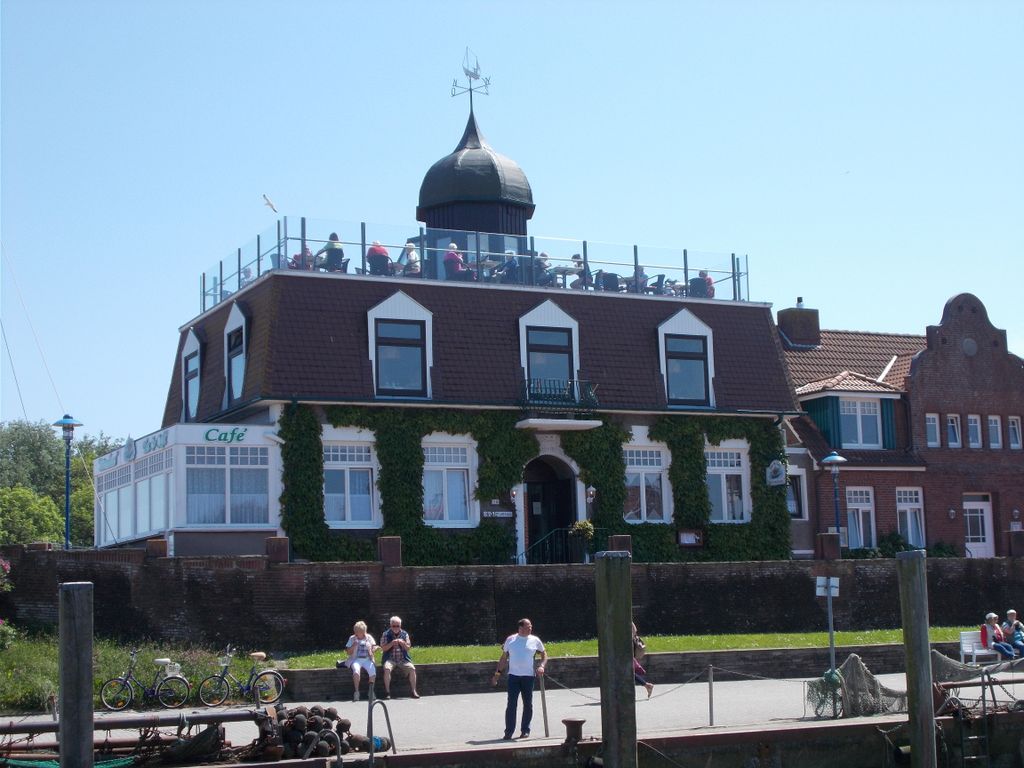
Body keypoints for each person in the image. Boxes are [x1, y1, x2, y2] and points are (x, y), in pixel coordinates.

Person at [492, 618, 547, 740]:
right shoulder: (510, 640)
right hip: (513, 677)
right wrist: (497, 674)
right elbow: (503, 658)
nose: (530, 628)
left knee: (528, 704)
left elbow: (544, 654)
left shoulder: (535, 640)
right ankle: (509, 732)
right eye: (528, 626)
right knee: (511, 704)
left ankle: (525, 730)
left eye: (531, 626)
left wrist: (542, 666)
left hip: (528, 677)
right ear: (520, 628)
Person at [380, 616, 420, 699]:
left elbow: (408, 648)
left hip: (402, 659)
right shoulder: (385, 634)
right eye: (394, 626)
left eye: (397, 626)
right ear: (390, 626)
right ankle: (387, 692)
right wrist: (391, 643)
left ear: (400, 626)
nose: (396, 628)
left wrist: (403, 643)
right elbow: (383, 648)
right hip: (390, 659)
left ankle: (414, 691)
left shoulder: (404, 634)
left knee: (412, 669)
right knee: (387, 669)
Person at [339, 620, 378, 701]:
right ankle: (356, 692)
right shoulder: (352, 638)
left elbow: (374, 647)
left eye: (359, 632)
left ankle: (371, 692)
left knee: (372, 671)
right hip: (355, 659)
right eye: (356, 631)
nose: (357, 633)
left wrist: (373, 649)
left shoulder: (369, 637)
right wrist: (353, 645)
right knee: (356, 671)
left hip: (367, 659)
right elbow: (348, 652)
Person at [632, 622, 654, 698]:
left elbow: (634, 630)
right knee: (626, 671)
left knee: (626, 671)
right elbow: (635, 629)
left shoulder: (624, 617)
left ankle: (647, 685)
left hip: (626, 646)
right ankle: (647, 685)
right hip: (627, 645)